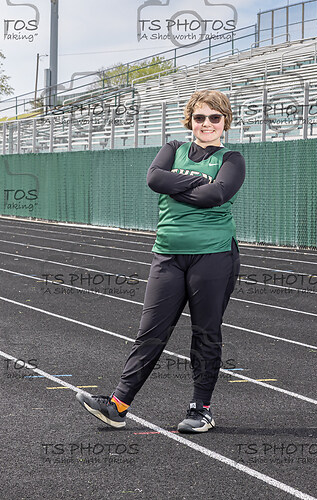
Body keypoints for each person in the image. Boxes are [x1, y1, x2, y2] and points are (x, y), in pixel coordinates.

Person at [76, 89, 246, 433]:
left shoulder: (232, 159)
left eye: (215, 117)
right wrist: (197, 180)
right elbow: (154, 178)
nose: (207, 123)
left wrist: (175, 185)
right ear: (190, 121)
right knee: (150, 332)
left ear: (225, 121)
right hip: (167, 254)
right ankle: (118, 406)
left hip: (213, 255)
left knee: (206, 332)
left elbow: (217, 194)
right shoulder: (173, 148)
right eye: (200, 117)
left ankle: (201, 410)